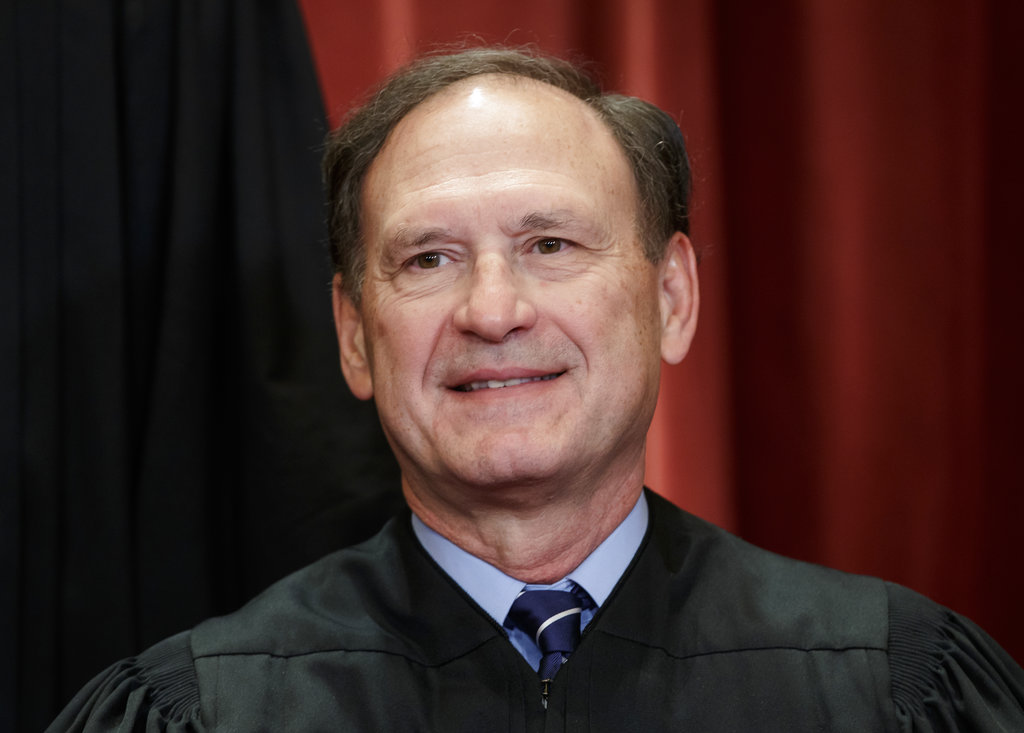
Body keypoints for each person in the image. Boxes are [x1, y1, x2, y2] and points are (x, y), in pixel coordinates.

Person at [48, 46, 1023, 732]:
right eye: (428, 258)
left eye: (549, 244)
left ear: (672, 298)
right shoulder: (206, 710)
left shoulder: (892, 690)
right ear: (353, 334)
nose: (492, 309)